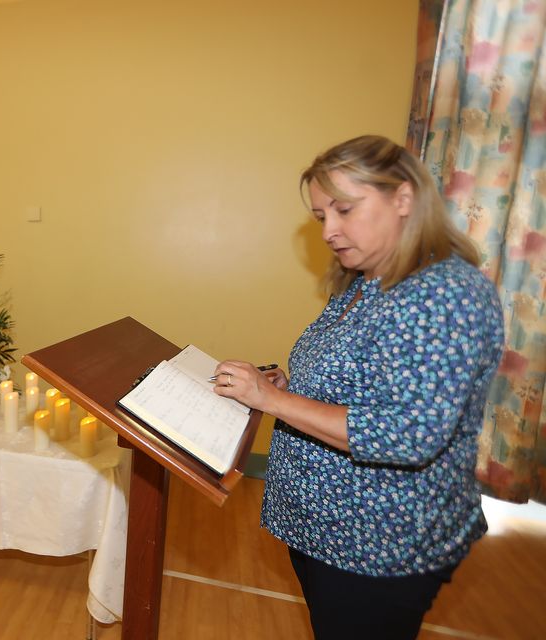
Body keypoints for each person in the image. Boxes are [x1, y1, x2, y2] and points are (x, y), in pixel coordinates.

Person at [211, 135, 503, 640]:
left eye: (343, 210)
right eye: (322, 216)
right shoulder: (368, 278)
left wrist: (272, 399)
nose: (329, 230)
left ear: (403, 199)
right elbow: (361, 381)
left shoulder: (445, 293)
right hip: (329, 530)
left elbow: (408, 434)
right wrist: (288, 385)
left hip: (379, 544)